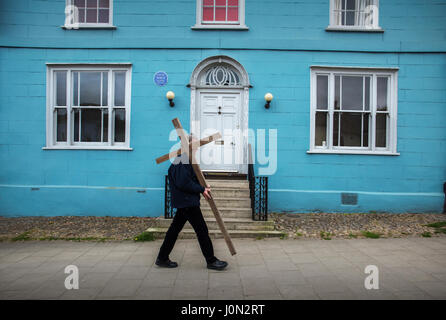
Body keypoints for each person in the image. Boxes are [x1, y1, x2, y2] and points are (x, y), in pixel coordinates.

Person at [155, 137, 228, 271]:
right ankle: (211, 261)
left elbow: (191, 178)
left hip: (185, 202)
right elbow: (183, 183)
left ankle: (162, 258)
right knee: (202, 231)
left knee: (174, 230)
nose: (197, 148)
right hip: (187, 203)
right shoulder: (181, 161)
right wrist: (201, 189)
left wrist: (203, 186)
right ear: (188, 146)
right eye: (195, 145)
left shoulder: (186, 161)